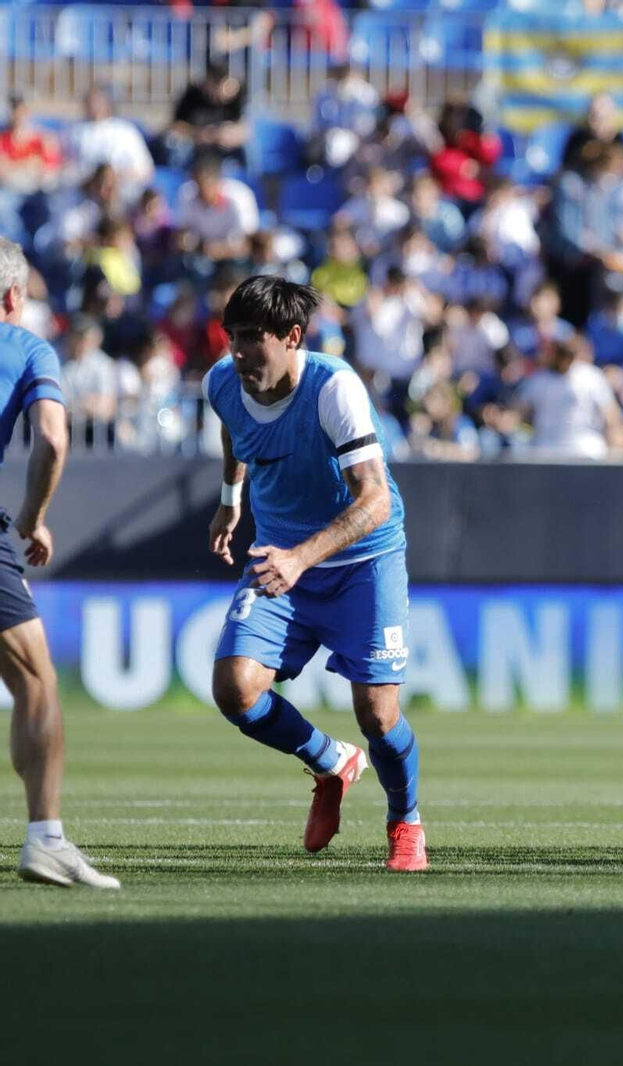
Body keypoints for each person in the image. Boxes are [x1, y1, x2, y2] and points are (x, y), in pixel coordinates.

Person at [204, 276, 426, 872]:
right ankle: (332, 762)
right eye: (232, 336)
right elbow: (233, 430)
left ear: (293, 336)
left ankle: (405, 821)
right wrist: (230, 499)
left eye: (253, 337)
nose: (239, 351)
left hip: (362, 562)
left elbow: (375, 499)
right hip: (281, 559)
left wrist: (301, 558)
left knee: (378, 716)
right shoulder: (221, 383)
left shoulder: (333, 388)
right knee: (235, 689)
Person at [0, 239, 118, 888]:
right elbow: (51, 435)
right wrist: (32, 516)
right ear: (13, 296)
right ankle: (45, 839)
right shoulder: (25, 347)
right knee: (35, 681)